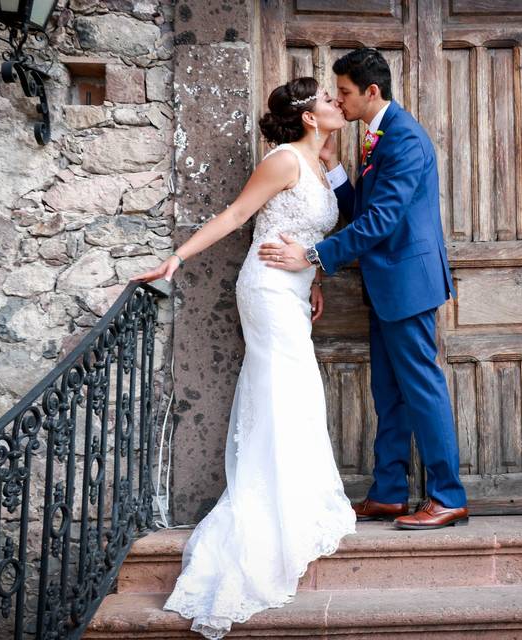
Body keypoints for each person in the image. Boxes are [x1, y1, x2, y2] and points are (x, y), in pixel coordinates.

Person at [130, 76, 356, 639]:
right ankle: (271, 512)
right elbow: (236, 217)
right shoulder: (281, 161)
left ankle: (295, 498)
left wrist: (313, 278)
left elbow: (307, 231)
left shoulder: (322, 161)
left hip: (294, 289)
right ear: (308, 116)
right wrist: (175, 259)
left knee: (294, 390)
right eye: (328, 99)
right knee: (288, 388)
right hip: (264, 291)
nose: (337, 103)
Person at [258, 48, 469, 531]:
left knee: (421, 388)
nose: (341, 100)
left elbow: (382, 220)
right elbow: (364, 209)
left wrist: (314, 256)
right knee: (388, 392)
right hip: (387, 285)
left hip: (408, 285)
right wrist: (333, 169)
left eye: (347, 93)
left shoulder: (405, 139)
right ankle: (390, 493)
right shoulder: (378, 137)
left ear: (372, 92)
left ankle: (448, 495)